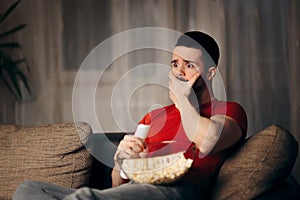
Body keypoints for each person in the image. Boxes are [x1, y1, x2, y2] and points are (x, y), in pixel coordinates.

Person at [13, 31, 247, 200]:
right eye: (174, 64)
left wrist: (184, 100)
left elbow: (208, 141)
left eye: (189, 65)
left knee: (83, 197)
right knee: (29, 189)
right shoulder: (154, 117)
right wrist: (123, 162)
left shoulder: (228, 111)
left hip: (179, 189)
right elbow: (117, 185)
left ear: (210, 72)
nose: (178, 72)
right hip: (135, 188)